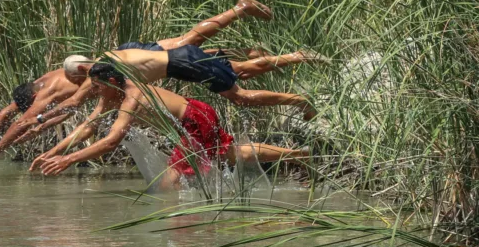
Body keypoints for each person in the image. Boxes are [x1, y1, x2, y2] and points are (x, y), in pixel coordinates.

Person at [39, 0, 320, 123]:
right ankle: (284, 55)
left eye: (79, 80)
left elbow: (75, 103)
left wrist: (40, 117)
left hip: (181, 63)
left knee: (237, 89)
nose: (83, 87)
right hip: (173, 60)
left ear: (82, 69)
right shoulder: (115, 54)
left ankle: (242, 12)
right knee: (231, 65)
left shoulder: (98, 72)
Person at [30, 62, 309, 186]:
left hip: (193, 119)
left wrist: (69, 161)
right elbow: (88, 127)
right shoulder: (114, 91)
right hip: (197, 113)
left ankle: (186, 226)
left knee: (168, 184)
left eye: (99, 88)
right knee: (229, 153)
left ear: (112, 82)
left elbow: (111, 141)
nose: (97, 94)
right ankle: (299, 156)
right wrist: (56, 152)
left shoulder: (131, 98)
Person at [0, 68, 80, 172]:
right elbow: (70, 109)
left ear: (34, 98)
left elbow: (20, 124)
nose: (35, 108)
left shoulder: (45, 92)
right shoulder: (37, 84)